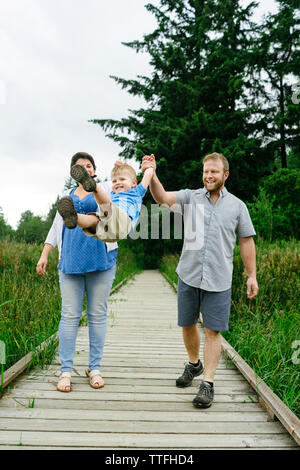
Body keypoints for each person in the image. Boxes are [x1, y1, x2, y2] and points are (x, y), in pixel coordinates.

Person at [142, 152, 258, 408]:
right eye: (206, 171)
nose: (208, 176)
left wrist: (252, 275)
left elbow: (246, 240)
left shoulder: (238, 206)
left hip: (219, 278)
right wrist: (152, 173)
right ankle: (194, 364)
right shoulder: (190, 197)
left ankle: (208, 382)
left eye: (214, 172)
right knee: (187, 324)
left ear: (225, 175)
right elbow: (161, 197)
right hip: (189, 274)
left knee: (212, 330)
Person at [36, 152, 118, 393]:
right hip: (71, 260)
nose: (84, 168)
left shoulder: (103, 190)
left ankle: (95, 368)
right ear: (73, 173)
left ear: (93, 171)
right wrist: (45, 254)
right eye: (79, 167)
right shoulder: (66, 197)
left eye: (88, 166)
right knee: (69, 316)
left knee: (97, 314)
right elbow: (55, 226)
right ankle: (65, 370)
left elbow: (110, 211)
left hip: (100, 258)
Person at [57, 162, 154, 242]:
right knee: (94, 220)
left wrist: (150, 167)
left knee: (108, 208)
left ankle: (93, 186)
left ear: (134, 183)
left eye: (122, 179)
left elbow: (148, 176)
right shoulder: (113, 193)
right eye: (114, 181)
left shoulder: (137, 192)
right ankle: (73, 217)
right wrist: (119, 168)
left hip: (123, 224)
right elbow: (104, 199)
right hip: (108, 230)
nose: (118, 183)